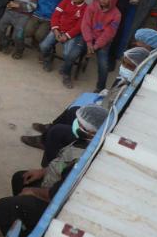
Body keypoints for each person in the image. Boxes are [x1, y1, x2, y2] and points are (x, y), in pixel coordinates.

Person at [0, 105, 106, 235]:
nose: (74, 124)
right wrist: (44, 171)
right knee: (20, 178)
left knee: (3, 207)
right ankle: (24, 222)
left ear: (92, 133)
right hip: (54, 184)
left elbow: (57, 195)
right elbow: (62, 163)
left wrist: (33, 192)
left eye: (79, 124)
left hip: (56, 203)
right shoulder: (83, 142)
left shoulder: (81, 162)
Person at [21, 48, 149, 162]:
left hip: (103, 128)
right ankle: (46, 135)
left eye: (129, 66)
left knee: (58, 131)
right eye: (123, 63)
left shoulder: (133, 90)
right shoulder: (125, 79)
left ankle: (48, 162)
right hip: (103, 112)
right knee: (73, 110)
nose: (124, 67)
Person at [83, 0, 122, 92]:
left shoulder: (116, 14)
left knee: (103, 65)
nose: (103, 0)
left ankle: (100, 88)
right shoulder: (92, 6)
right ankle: (66, 72)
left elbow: (109, 33)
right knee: (73, 51)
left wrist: (95, 46)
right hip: (88, 37)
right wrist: (89, 42)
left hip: (103, 42)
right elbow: (86, 24)